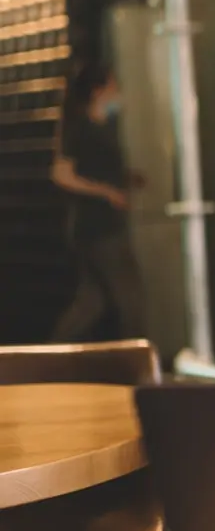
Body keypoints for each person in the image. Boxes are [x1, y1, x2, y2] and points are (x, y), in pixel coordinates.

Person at [50, 60, 146, 343]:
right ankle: (136, 365)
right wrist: (106, 192)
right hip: (98, 228)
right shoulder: (79, 128)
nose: (118, 90)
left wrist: (128, 179)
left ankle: (51, 353)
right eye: (112, 84)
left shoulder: (104, 126)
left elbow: (100, 167)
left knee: (92, 302)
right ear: (97, 90)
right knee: (131, 299)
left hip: (104, 226)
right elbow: (62, 175)